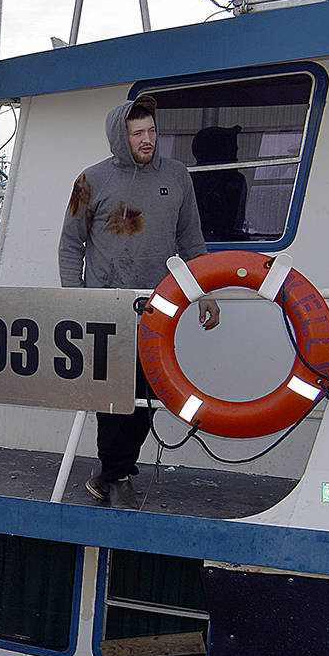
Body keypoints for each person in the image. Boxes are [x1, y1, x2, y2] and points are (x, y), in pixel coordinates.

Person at [58, 94, 219, 508]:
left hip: (161, 307)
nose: (147, 140)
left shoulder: (178, 176)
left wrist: (205, 293)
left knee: (151, 394)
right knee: (115, 398)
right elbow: (70, 244)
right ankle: (119, 475)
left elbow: (192, 241)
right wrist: (76, 300)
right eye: (137, 133)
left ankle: (109, 472)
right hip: (107, 308)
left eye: (150, 131)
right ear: (120, 136)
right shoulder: (89, 180)